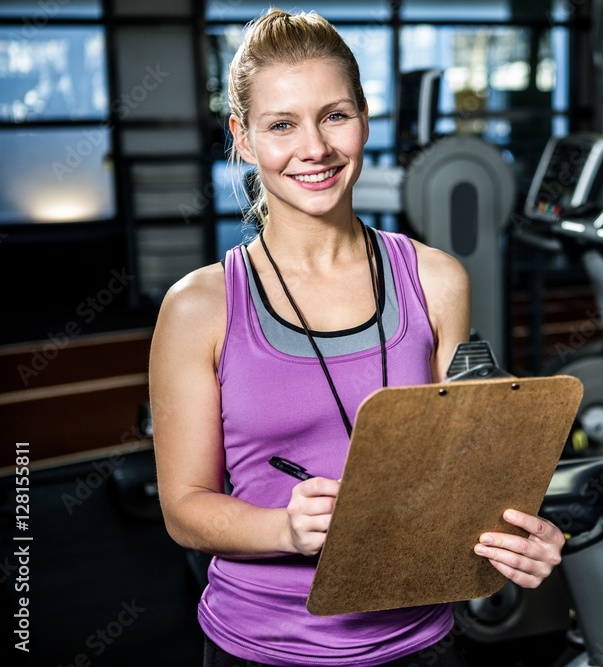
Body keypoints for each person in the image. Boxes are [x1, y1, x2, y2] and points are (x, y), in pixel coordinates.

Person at [148, 8, 565, 667]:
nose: (314, 147)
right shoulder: (199, 306)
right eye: (282, 124)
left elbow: (465, 467)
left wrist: (521, 529)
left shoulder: (437, 280)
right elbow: (183, 509)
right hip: (261, 648)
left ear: (364, 120)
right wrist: (284, 526)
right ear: (245, 138)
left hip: (417, 642)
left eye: (334, 115)